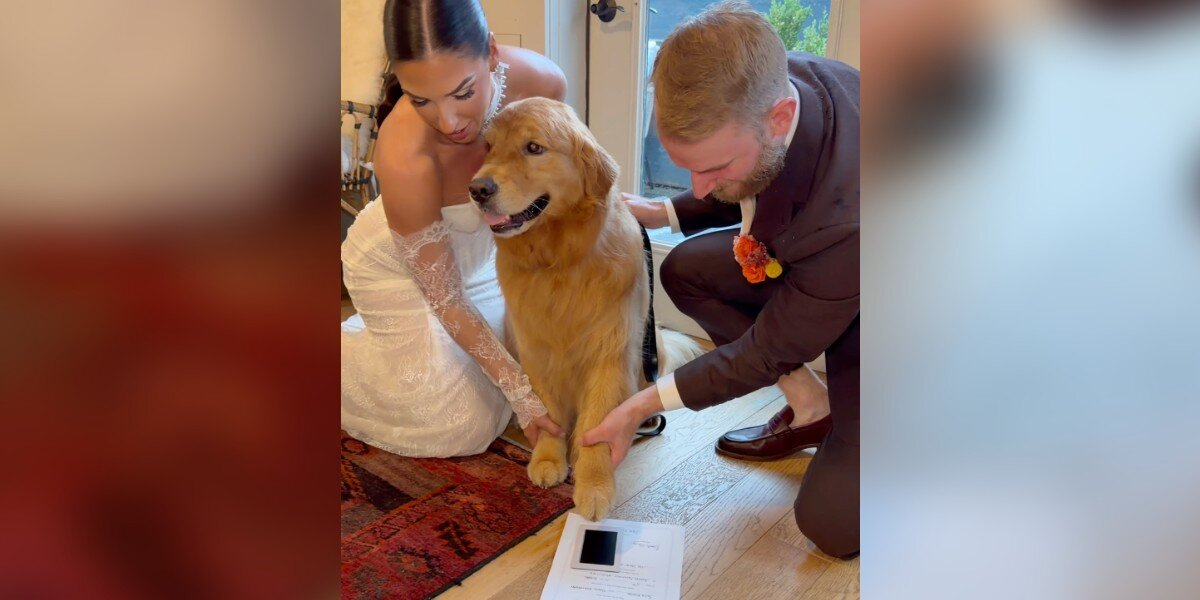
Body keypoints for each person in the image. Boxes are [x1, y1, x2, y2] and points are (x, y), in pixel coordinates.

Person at [582, 1, 860, 557]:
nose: (700, 188)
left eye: (714, 169)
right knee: (686, 269)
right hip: (829, 273)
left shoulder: (849, 216)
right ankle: (812, 405)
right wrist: (668, 215)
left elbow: (765, 351)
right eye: (688, 166)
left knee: (829, 526)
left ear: (779, 119)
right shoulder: (773, 80)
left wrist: (638, 406)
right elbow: (755, 172)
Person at [341, 0, 569, 457]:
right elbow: (446, 299)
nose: (448, 122)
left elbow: (550, 191)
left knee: (545, 355)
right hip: (396, 269)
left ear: (490, 53)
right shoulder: (405, 154)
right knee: (459, 421)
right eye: (420, 99)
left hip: (478, 259)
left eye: (463, 92)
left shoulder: (542, 85)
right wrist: (522, 397)